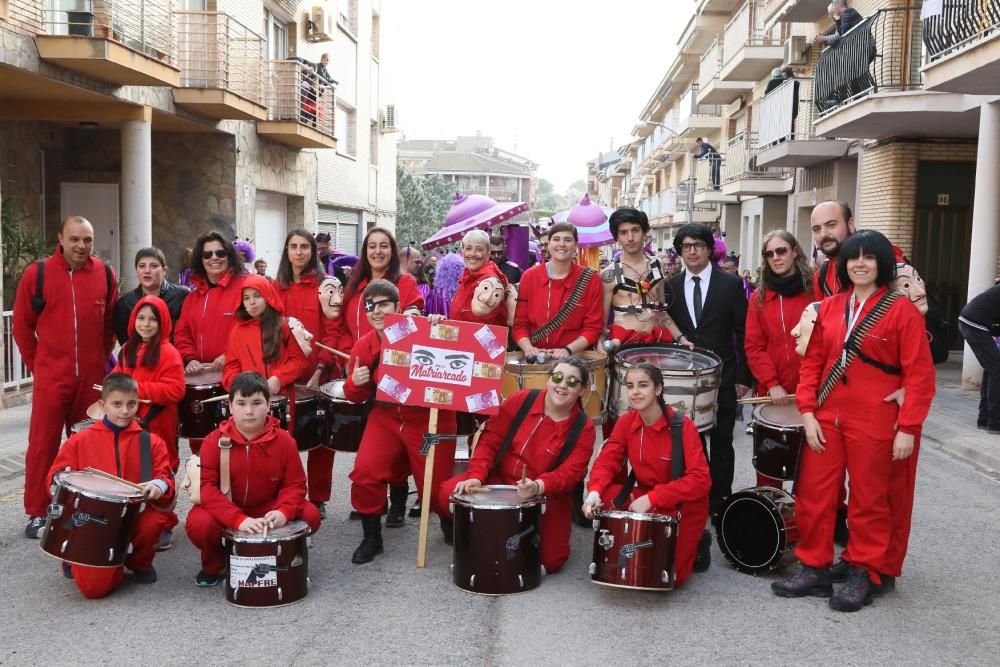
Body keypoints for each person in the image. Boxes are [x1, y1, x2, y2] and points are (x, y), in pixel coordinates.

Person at [773, 230, 935, 612]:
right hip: (827, 416)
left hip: (877, 421)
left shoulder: (901, 311)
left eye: (869, 257)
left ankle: (865, 568)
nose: (860, 264)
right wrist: (808, 413)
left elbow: (920, 377)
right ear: (843, 265)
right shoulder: (829, 309)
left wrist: (908, 428)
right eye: (852, 257)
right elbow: (811, 365)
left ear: (882, 264)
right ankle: (814, 565)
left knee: (868, 500)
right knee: (815, 496)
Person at [437, 358, 596, 573]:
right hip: (499, 480)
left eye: (572, 382)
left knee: (551, 561)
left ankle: (496, 531)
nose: (562, 385)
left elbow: (570, 474)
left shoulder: (584, 428)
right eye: (557, 377)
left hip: (545, 494)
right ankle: (481, 530)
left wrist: (538, 486)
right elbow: (491, 439)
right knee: (448, 493)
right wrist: (475, 475)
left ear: (582, 390)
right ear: (548, 380)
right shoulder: (522, 399)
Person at [13, 215, 119, 538]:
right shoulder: (39, 274)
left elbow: (109, 325)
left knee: (88, 443)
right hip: (51, 377)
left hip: (91, 377)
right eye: (74, 239)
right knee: (42, 444)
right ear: (60, 238)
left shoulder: (105, 273)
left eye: (87, 239)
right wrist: (40, 366)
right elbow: (21, 326)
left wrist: (99, 360)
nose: (81, 246)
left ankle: (86, 505)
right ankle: (37, 510)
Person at [343, 280, 457, 564]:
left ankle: (450, 522)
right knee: (365, 471)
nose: (377, 311)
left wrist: (438, 324)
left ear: (397, 307)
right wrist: (355, 385)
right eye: (371, 306)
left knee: (437, 488)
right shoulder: (363, 346)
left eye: (384, 304)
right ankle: (372, 536)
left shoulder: (424, 331)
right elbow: (353, 396)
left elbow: (457, 346)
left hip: (430, 419)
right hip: (387, 417)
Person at [185, 372, 321, 587]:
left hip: (269, 506)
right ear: (230, 406)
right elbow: (206, 489)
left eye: (257, 403)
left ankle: (282, 556)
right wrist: (238, 519)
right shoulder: (214, 441)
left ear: (268, 404)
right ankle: (215, 564)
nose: (249, 411)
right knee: (200, 524)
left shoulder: (285, 441)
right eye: (241, 403)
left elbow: (295, 484)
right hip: (229, 506)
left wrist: (283, 512)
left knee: (311, 515)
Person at [583, 362, 712, 586]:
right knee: (604, 495)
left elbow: (700, 481)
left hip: (682, 503)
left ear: (658, 389)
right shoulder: (626, 422)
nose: (635, 392)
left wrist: (653, 498)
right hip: (643, 495)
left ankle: (699, 541)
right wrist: (593, 492)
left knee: (670, 577)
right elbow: (607, 460)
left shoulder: (683, 426)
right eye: (630, 385)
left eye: (643, 385)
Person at [48, 373, 175, 597]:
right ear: (102, 404)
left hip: (134, 513)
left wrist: (159, 486)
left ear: (139, 403)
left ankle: (139, 561)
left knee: (154, 522)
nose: (125, 411)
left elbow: (165, 477)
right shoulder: (80, 440)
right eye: (117, 404)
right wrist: (61, 479)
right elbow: (54, 478)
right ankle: (74, 556)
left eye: (131, 404)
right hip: (91, 517)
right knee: (93, 589)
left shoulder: (150, 441)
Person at [333, 228, 424, 522]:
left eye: (384, 246)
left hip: (394, 373)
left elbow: (413, 317)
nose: (378, 251)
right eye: (372, 246)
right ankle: (373, 500)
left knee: (396, 447)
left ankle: (397, 499)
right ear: (365, 251)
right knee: (369, 446)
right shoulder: (356, 285)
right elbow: (345, 329)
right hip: (362, 367)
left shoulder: (405, 282)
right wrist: (353, 356)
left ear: (392, 250)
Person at [666, 223, 751, 530]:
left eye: (698, 245)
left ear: (708, 249)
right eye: (686, 246)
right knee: (691, 441)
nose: (692, 251)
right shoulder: (671, 286)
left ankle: (721, 501)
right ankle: (696, 498)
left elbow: (743, 331)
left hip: (724, 374)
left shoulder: (730, 284)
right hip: (685, 379)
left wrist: (744, 376)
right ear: (680, 252)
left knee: (722, 441)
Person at [274, 229, 342, 519]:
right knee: (282, 440)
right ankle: (286, 494)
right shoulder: (275, 288)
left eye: (304, 247)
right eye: (293, 246)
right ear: (286, 251)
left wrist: (320, 370)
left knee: (322, 442)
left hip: (319, 374)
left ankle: (318, 497)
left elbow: (331, 332)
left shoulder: (326, 286)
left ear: (313, 252)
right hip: (285, 375)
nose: (299, 252)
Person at [112, 295, 186, 548]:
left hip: (158, 425)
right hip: (129, 424)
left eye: (152, 319)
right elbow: (114, 380)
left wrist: (135, 390)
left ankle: (165, 522)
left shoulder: (169, 352)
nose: (145, 324)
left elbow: (176, 390)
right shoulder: (125, 350)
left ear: (163, 322)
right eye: (141, 318)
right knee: (133, 471)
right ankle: (136, 519)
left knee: (161, 471)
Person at [744, 231, 814, 487]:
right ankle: (772, 522)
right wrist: (771, 382)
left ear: (795, 251)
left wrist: (812, 384)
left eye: (781, 251)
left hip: (811, 391)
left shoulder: (815, 291)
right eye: (769, 254)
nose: (776, 257)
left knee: (812, 472)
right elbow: (754, 345)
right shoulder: (759, 298)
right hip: (772, 393)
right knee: (771, 470)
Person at [513, 222, 604, 360]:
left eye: (568, 240)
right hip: (536, 357)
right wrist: (528, 348)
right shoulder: (529, 276)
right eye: (556, 239)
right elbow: (520, 324)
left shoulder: (591, 279)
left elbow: (593, 328)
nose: (561, 244)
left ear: (575, 246)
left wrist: (568, 349)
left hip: (574, 358)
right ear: (548, 244)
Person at [601, 208, 687, 350]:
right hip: (624, 348)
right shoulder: (609, 274)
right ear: (616, 237)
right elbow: (602, 323)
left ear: (645, 232)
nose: (630, 238)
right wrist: (601, 348)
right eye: (623, 232)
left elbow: (661, 312)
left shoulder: (658, 266)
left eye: (635, 230)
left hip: (657, 345)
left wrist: (680, 338)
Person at [223, 275, 309, 402]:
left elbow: (299, 361)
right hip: (250, 400)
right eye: (246, 298)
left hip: (281, 398)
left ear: (268, 296)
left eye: (257, 296)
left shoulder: (284, 325)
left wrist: (279, 379)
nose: (251, 302)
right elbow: (231, 366)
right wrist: (239, 384)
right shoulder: (237, 331)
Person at [174, 230, 246, 376]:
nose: (214, 258)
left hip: (238, 374)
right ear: (201, 260)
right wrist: (189, 358)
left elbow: (255, 329)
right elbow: (182, 333)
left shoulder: (245, 289)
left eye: (220, 253)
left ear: (229, 256)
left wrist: (229, 355)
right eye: (207, 254)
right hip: (202, 376)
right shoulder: (191, 298)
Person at [114, 247, 189, 345]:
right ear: (136, 270)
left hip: (176, 357)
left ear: (164, 271)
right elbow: (124, 340)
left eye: (153, 266)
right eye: (142, 266)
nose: (147, 271)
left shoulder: (182, 295)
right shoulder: (125, 303)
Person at [450, 229, 515, 327]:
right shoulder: (468, 276)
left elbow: (476, 322)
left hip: (480, 341)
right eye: (468, 248)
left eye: (479, 249)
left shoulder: (489, 282)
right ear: (463, 252)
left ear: (488, 254)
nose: (472, 254)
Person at [959, 284, 1000, 434]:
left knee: (992, 369)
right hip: (975, 325)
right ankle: (995, 422)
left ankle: (984, 419)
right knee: (997, 369)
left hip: (970, 322)